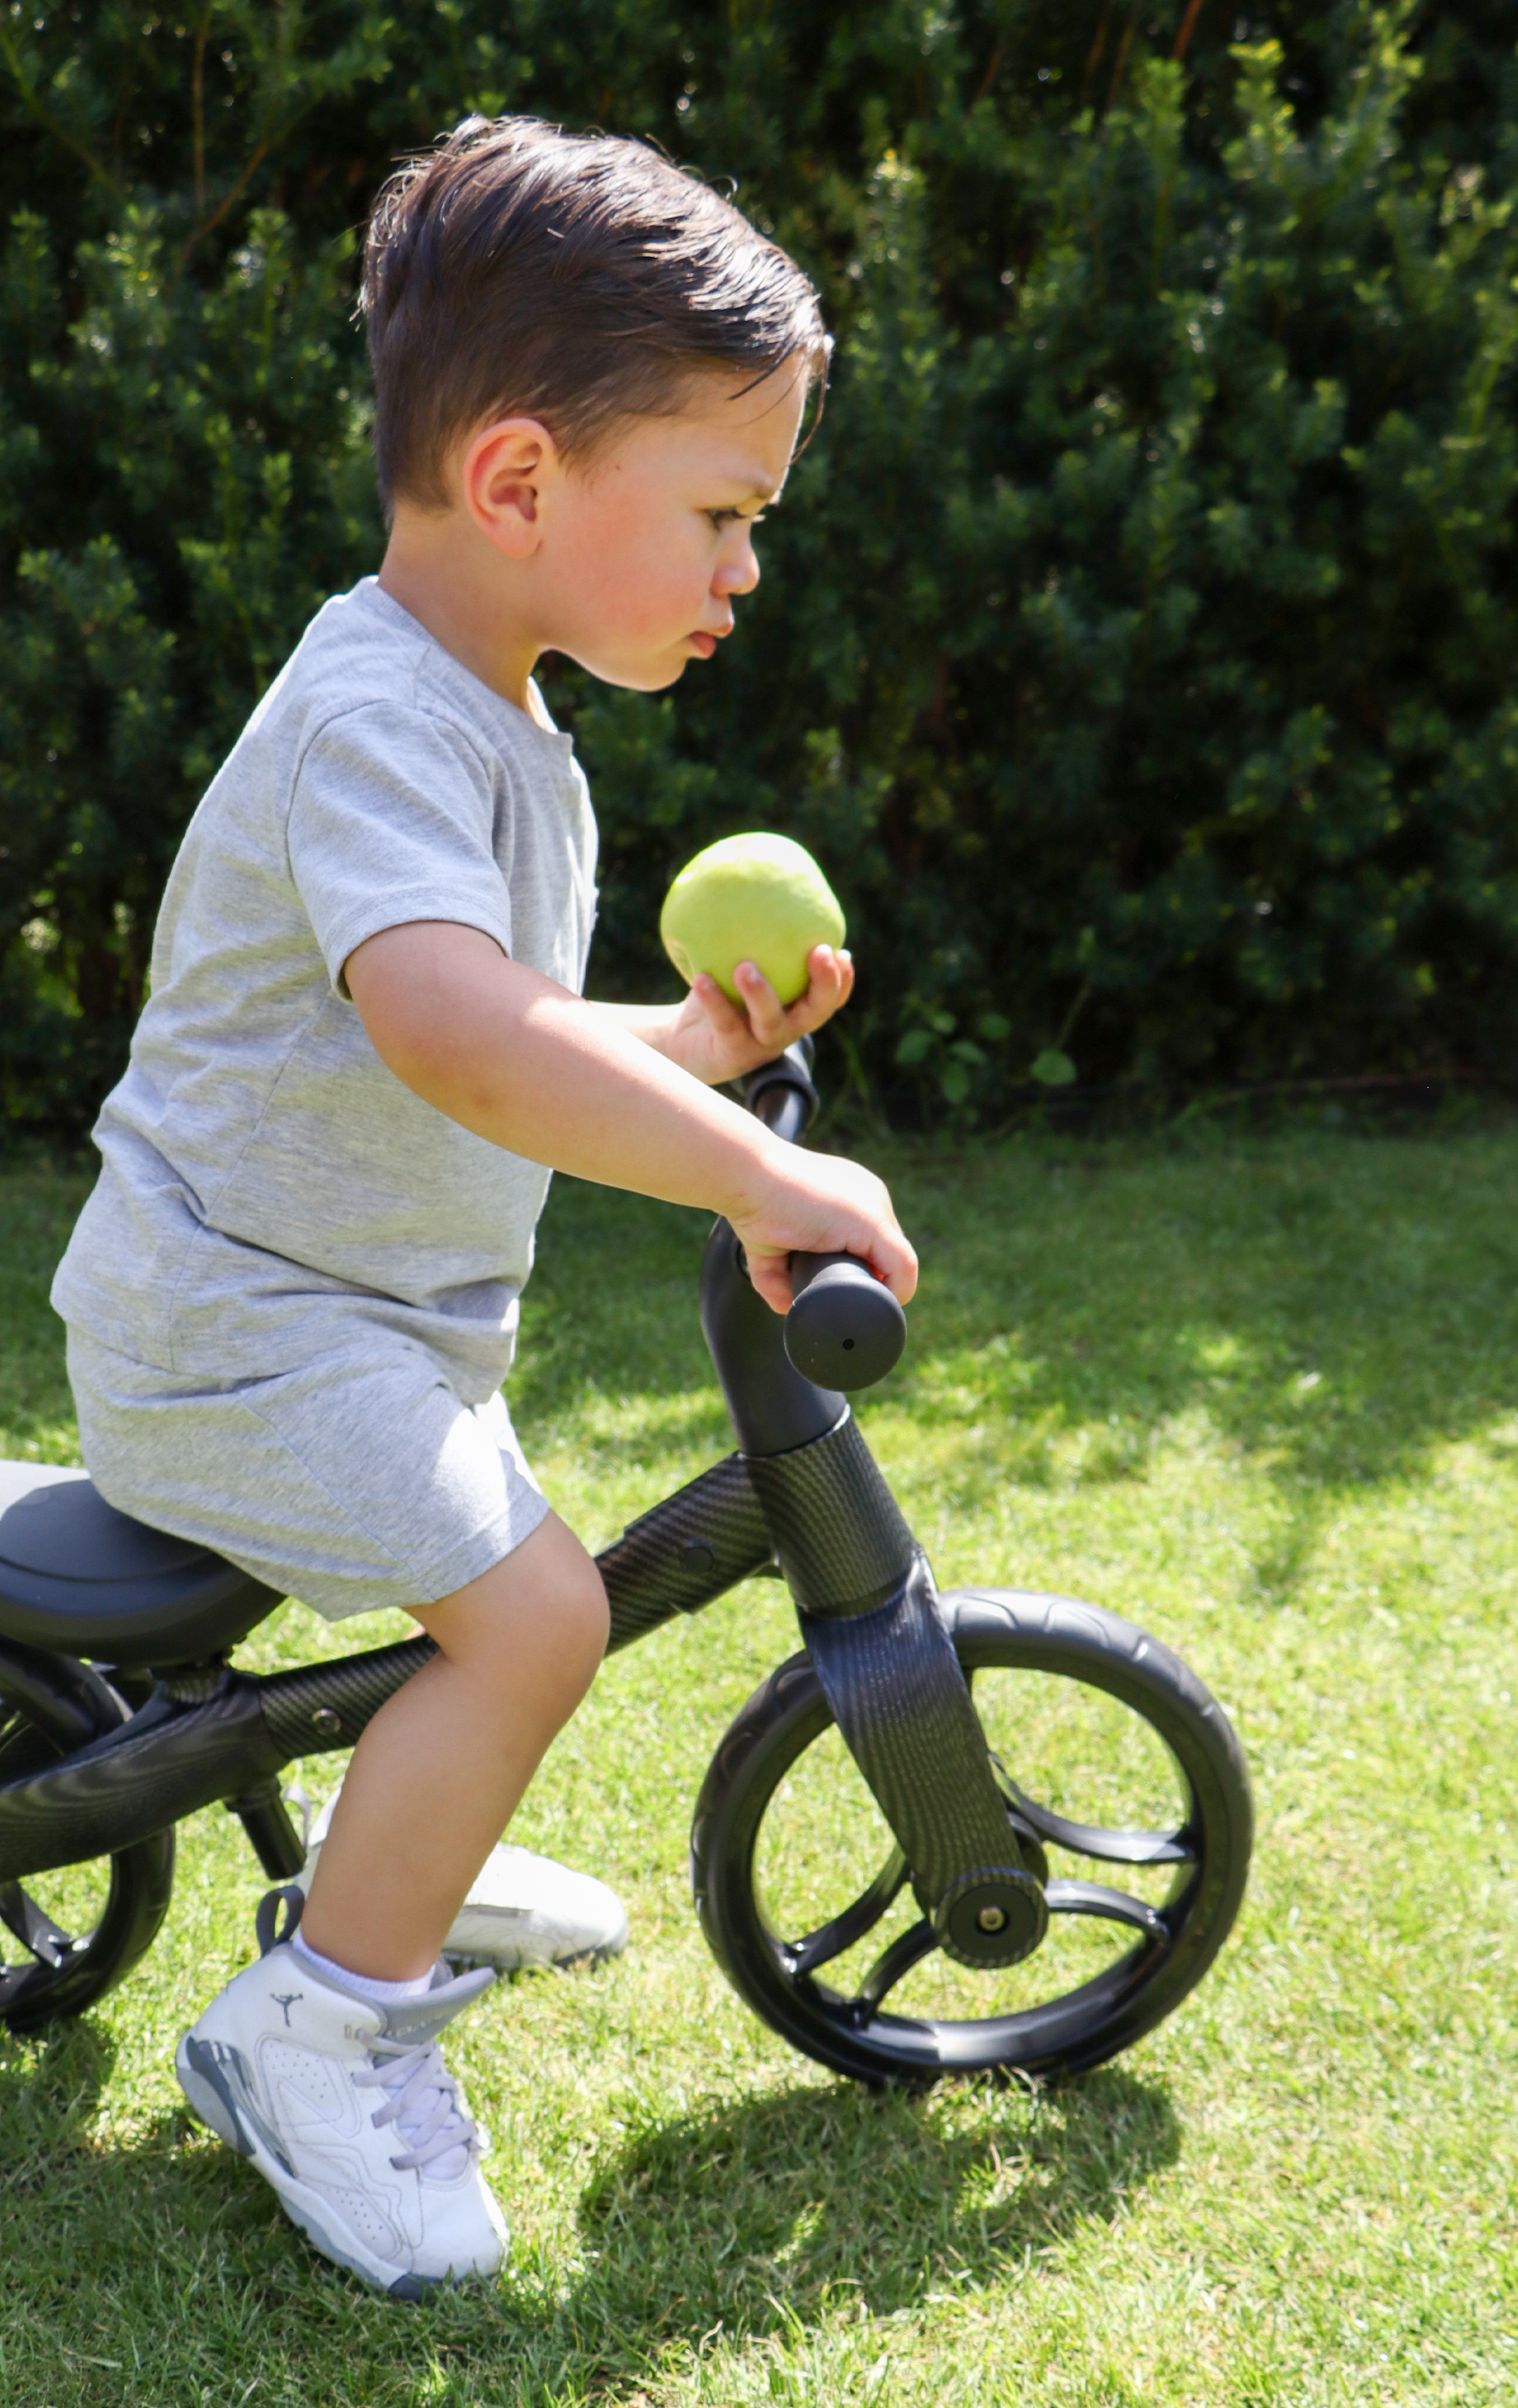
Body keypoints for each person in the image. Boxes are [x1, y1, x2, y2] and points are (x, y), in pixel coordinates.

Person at [49, 116, 918, 2298]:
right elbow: (450, 1033)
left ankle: (388, 1859)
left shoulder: (498, 719)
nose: (745, 570)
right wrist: (755, 1167)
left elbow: (504, 1020)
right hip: (229, 1329)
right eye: (724, 515)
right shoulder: (378, 721)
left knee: (512, 1570)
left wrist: (693, 1063)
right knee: (532, 1611)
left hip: (350, 1314)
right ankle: (319, 2027)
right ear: (524, 483)